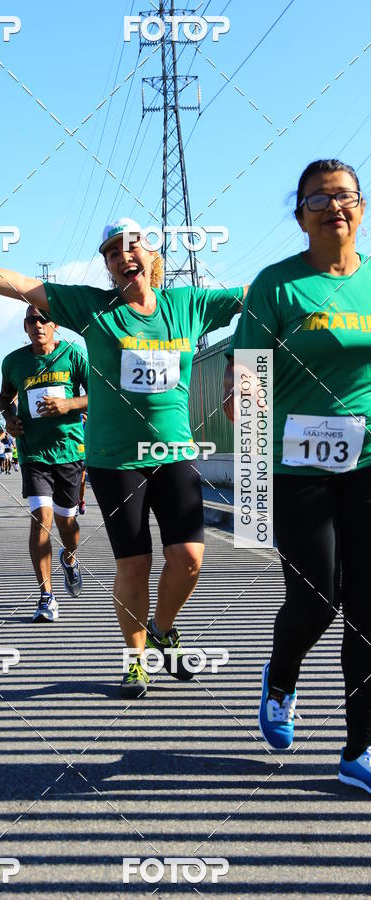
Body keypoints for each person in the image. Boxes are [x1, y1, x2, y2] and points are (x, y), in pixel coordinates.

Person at [0, 221, 245, 688]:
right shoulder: (94, 308)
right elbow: (17, 284)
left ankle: (162, 629)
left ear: (151, 253)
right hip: (115, 459)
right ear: (107, 266)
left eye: (131, 247)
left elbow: (264, 298)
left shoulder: (190, 304)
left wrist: (236, 365)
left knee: (189, 558)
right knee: (135, 562)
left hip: (174, 452)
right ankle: (135, 658)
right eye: (111, 253)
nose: (123, 257)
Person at [226, 159, 371, 793]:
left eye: (346, 197)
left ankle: (359, 749)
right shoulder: (278, 286)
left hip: (368, 462)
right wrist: (239, 396)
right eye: (320, 199)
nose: (335, 208)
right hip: (294, 464)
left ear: (361, 209)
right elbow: (247, 371)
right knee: (318, 594)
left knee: (368, 606)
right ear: (300, 214)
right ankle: (280, 679)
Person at [0, 306, 88, 622]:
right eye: (31, 321)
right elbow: (4, 397)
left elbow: (98, 395)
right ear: (25, 327)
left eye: (43, 319)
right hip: (33, 453)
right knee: (41, 518)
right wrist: (9, 419)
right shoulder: (14, 362)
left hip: (69, 451)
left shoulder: (73, 354)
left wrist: (69, 403)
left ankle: (71, 558)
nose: (37, 325)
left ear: (54, 325)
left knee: (68, 526)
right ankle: (46, 597)